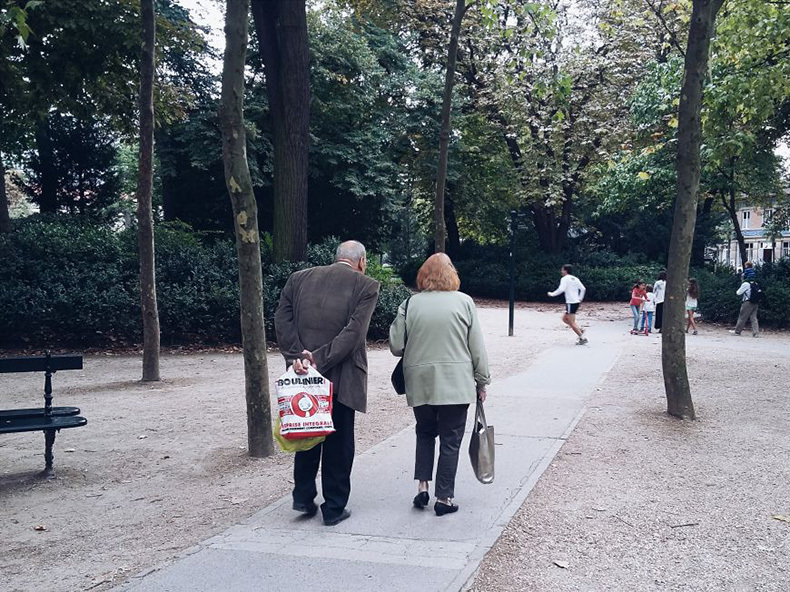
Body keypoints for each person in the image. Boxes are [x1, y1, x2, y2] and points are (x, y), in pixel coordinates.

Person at [274, 240, 380, 526]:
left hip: (301, 372)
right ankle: (333, 507)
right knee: (339, 439)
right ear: (361, 261)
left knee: (306, 429)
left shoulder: (299, 279)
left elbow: (282, 319)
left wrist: (299, 357)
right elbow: (355, 333)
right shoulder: (366, 285)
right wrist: (318, 358)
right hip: (342, 373)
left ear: (337, 258)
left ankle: (303, 496)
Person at [389, 253, 490, 517]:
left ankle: (422, 485)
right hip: (455, 383)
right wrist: (482, 381)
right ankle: (443, 498)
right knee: (450, 439)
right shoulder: (464, 302)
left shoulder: (410, 304)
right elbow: (476, 347)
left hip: (419, 381)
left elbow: (396, 346)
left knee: (424, 432)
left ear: (423, 276)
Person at [547, 264, 588, 345]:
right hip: (575, 302)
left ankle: (582, 337)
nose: (561, 272)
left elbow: (561, 289)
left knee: (571, 321)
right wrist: (580, 298)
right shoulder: (575, 278)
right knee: (564, 319)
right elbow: (583, 289)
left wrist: (552, 294)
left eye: (562, 270)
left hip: (571, 302)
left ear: (565, 270)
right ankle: (579, 330)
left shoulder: (564, 279)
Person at [734, 263, 760, 337]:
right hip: (755, 302)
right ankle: (756, 333)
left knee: (742, 317)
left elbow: (738, 293)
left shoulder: (745, 284)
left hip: (747, 302)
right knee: (754, 318)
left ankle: (737, 331)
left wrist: (742, 281)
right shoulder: (755, 283)